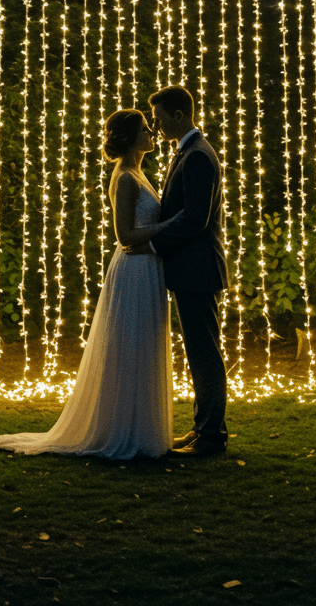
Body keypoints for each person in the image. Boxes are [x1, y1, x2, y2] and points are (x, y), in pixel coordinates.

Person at [0, 109, 181, 458]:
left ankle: (143, 428)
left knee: (143, 345)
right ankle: (121, 429)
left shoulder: (139, 172)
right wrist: (169, 226)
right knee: (130, 345)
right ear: (133, 136)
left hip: (148, 267)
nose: (153, 134)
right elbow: (125, 235)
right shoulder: (126, 178)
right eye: (146, 130)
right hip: (134, 268)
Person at [126, 85, 229, 457]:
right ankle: (204, 428)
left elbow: (194, 219)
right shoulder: (190, 151)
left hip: (197, 270)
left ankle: (211, 437)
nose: (155, 125)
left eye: (158, 118)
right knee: (201, 351)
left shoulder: (198, 155)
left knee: (204, 353)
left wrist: (151, 246)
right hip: (192, 269)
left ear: (177, 115)